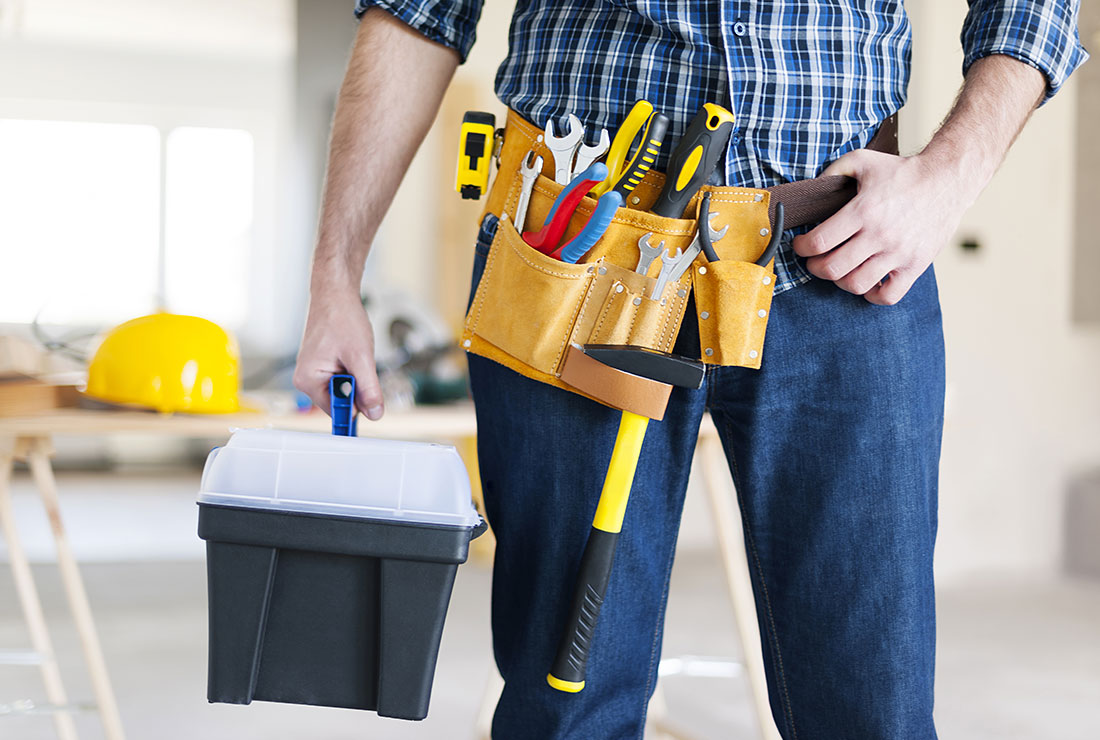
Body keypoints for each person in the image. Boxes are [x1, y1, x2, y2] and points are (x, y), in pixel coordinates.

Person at [294, 2, 1086, 738]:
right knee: (567, 703)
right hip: (573, 271)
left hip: (848, 262)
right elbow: (417, 11)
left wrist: (948, 179)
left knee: (870, 707)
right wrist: (334, 276)